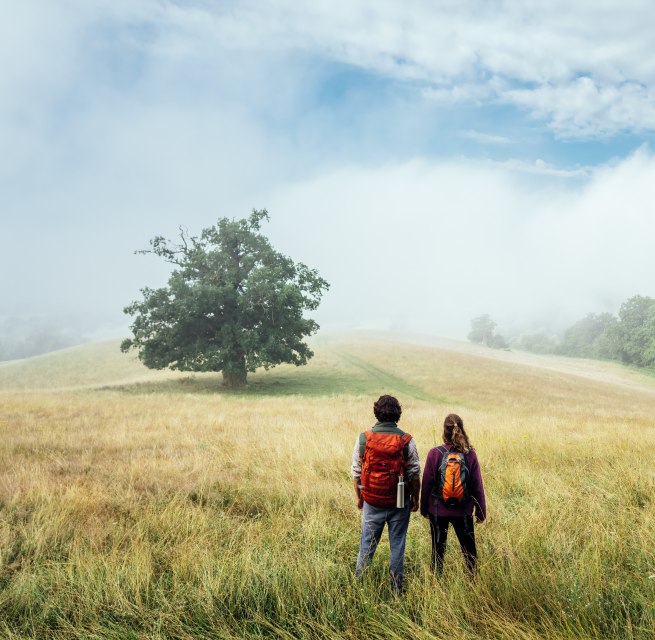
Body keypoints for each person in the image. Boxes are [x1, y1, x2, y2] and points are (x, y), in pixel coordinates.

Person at [352, 395, 421, 593]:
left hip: (371, 501)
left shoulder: (364, 438)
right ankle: (396, 589)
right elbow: (414, 473)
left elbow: (356, 471)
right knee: (397, 545)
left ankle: (359, 587)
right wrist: (415, 498)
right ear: (397, 414)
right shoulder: (406, 440)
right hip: (399, 502)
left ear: (376, 412)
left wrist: (359, 497)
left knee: (367, 545)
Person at [420, 413, 486, 576]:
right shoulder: (470, 454)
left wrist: (424, 509)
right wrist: (481, 512)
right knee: (470, 553)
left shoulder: (434, 453)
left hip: (437, 511)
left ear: (444, 431)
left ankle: (436, 584)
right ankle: (473, 584)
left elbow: (427, 484)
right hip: (463, 512)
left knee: (437, 552)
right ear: (462, 430)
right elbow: (477, 486)